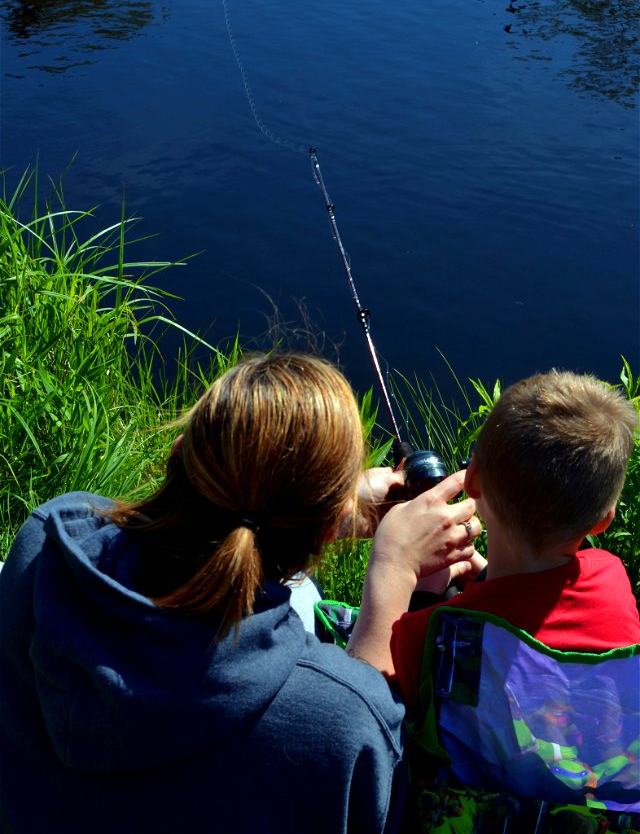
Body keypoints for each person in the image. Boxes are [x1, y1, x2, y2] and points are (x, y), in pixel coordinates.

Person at [0, 351, 481, 834]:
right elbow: (372, 744)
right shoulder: (338, 721)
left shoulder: (47, 546)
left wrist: (322, 509)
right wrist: (397, 576)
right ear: (319, 530)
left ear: (177, 454)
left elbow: (210, 527)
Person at [347, 369, 640, 828]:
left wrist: (394, 566)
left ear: (473, 480)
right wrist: (481, 579)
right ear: (603, 519)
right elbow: (538, 625)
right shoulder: (612, 579)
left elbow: (359, 699)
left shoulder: (433, 635)